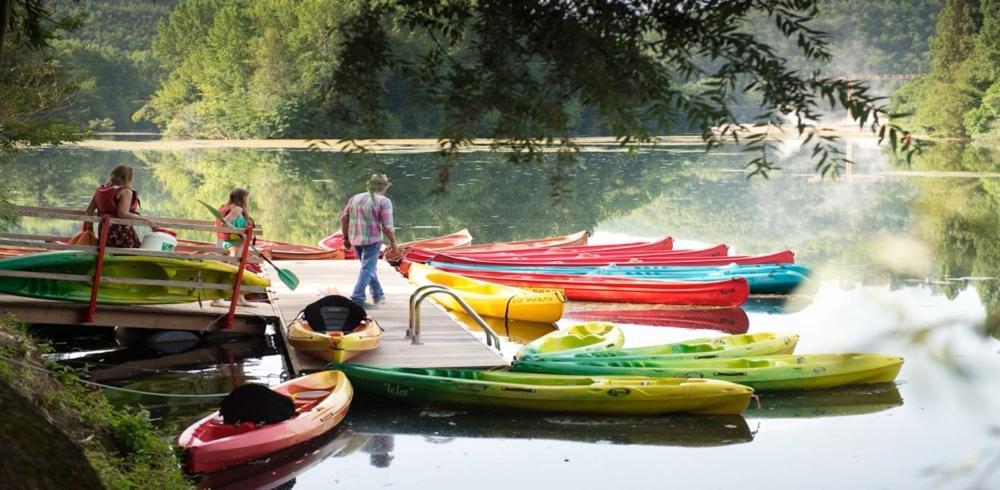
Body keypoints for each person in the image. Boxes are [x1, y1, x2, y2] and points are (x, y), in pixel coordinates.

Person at [340, 173, 398, 307]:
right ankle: (357, 298)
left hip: (355, 239)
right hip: (373, 240)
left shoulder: (355, 198)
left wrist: (346, 238)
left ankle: (378, 295)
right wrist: (394, 242)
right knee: (368, 268)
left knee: (368, 268)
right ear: (383, 187)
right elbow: (387, 227)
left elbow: (343, 219)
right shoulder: (384, 201)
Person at [84, 165, 151, 248]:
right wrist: (146, 220)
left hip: (104, 232)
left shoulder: (100, 190)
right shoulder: (126, 192)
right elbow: (122, 214)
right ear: (129, 179)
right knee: (135, 250)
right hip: (121, 232)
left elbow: (89, 211)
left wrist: (90, 229)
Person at [212, 188, 257, 308]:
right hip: (234, 244)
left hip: (225, 243)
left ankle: (239, 299)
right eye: (247, 198)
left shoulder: (224, 207)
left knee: (235, 271)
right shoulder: (237, 209)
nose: (248, 200)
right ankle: (217, 300)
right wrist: (241, 233)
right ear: (242, 198)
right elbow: (224, 223)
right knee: (234, 272)